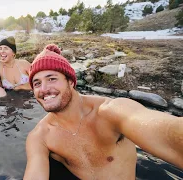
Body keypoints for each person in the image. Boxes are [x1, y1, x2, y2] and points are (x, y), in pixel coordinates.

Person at [23, 44, 183, 179]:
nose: (43, 89)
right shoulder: (40, 136)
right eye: (37, 83)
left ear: (71, 82)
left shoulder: (110, 111)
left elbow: (168, 136)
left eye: (52, 79)